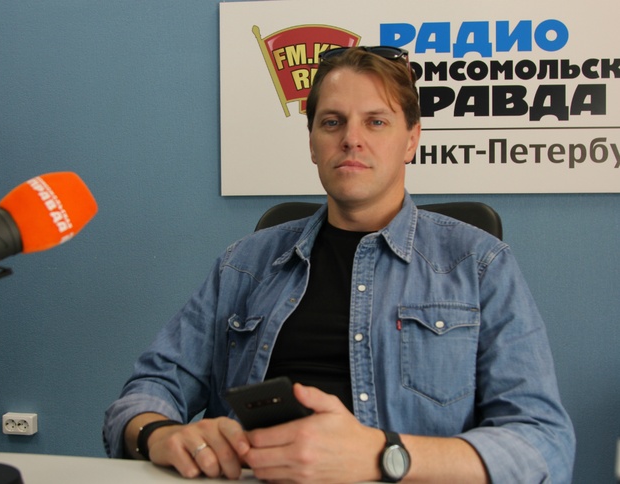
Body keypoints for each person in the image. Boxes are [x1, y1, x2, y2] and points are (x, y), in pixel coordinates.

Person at [103, 46, 575, 483]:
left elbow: (544, 444)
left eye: (376, 122)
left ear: (411, 140)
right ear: (312, 144)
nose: (351, 139)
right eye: (332, 122)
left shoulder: (480, 264)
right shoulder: (243, 265)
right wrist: (158, 434)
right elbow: (149, 388)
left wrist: (383, 455)